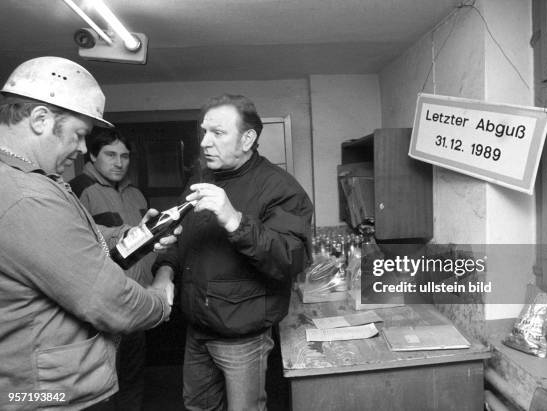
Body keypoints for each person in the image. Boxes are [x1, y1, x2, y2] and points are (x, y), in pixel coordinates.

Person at [0, 56, 177, 410]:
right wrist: (161, 299)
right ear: (39, 120)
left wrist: (135, 235)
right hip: (51, 397)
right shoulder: (28, 197)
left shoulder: (29, 181)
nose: (83, 149)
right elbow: (108, 301)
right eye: (79, 135)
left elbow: (81, 239)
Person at [153, 94, 313, 411]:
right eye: (204, 132)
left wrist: (234, 220)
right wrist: (164, 271)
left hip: (242, 339)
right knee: (197, 406)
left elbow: (291, 259)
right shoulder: (201, 178)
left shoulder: (281, 188)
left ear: (247, 138)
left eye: (218, 133)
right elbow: (182, 238)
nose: (204, 143)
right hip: (196, 329)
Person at [69, 129, 154, 411]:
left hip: (137, 302)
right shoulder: (76, 190)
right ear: (92, 155)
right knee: (102, 386)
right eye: (110, 155)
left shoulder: (136, 194)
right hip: (102, 311)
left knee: (132, 379)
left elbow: (146, 243)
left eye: (125, 156)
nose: (119, 162)